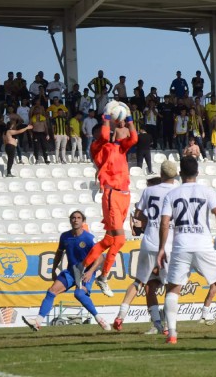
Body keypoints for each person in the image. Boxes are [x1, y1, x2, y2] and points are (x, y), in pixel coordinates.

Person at [156, 157, 216, 343]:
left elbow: (164, 223)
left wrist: (162, 248)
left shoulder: (172, 194)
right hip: (202, 244)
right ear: (198, 172)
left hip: (181, 244)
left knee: (173, 289)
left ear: (180, 174)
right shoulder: (206, 191)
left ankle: (172, 334)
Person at [111, 161, 178, 333]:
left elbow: (138, 215)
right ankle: (167, 326)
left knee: (140, 281)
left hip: (149, 242)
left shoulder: (149, 191)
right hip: (169, 244)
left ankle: (121, 315)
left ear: (161, 174)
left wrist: (147, 221)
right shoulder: (178, 191)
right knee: (170, 287)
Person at [80, 102, 138, 297]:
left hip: (124, 195)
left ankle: (81, 266)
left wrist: (128, 119)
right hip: (111, 193)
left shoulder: (119, 147)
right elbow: (104, 136)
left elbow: (134, 138)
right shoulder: (97, 147)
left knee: (109, 240)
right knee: (120, 239)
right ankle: (103, 277)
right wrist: (105, 117)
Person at [22, 211, 111, 331]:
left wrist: (90, 272)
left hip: (85, 272)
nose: (76, 220)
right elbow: (59, 253)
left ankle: (100, 319)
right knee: (51, 291)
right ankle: (37, 322)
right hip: (71, 272)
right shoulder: (65, 237)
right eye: (73, 218)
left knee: (79, 294)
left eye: (78, 218)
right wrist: (54, 269)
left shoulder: (89, 238)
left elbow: (100, 257)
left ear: (83, 221)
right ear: (70, 220)